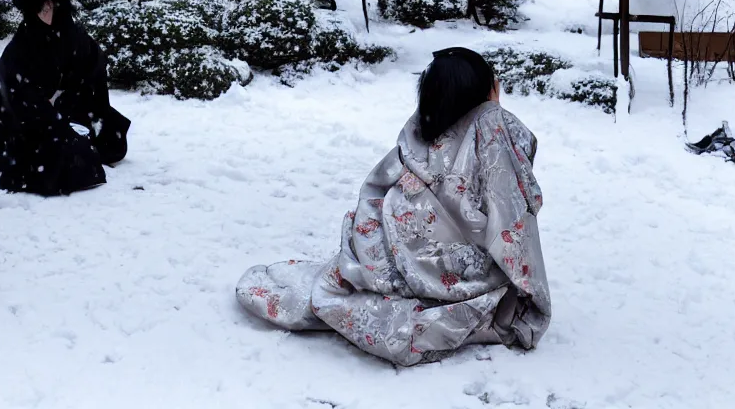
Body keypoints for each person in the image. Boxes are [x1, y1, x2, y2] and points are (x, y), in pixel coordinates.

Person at [236, 48, 550, 366]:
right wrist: (529, 298)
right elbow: (511, 214)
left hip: (398, 239)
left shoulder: (433, 119)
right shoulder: (494, 127)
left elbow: (384, 182)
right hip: (437, 254)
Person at [0, 0, 131, 196]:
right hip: (28, 117)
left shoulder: (72, 34)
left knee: (107, 144)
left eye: (51, 6)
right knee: (56, 159)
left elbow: (93, 65)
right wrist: (49, 111)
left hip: (65, 106)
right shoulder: (22, 46)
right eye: (41, 8)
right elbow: (16, 91)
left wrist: (67, 97)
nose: (47, 12)